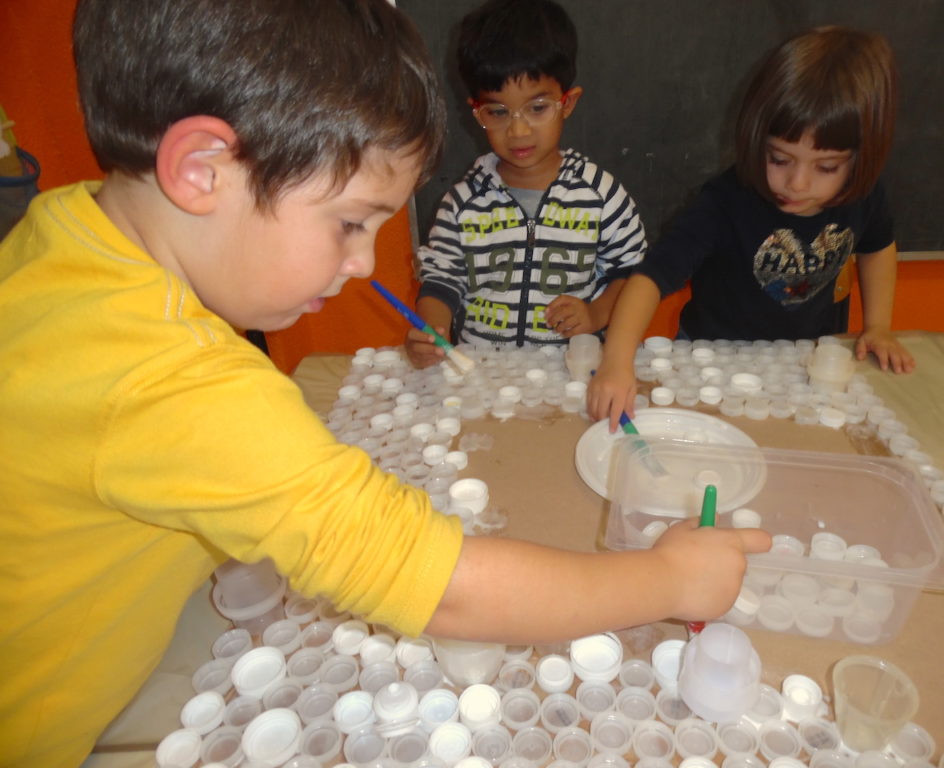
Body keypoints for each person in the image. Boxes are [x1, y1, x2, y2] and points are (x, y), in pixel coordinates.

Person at [0, 0, 768, 765]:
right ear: (201, 169)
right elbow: (447, 588)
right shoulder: (167, 382)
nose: (366, 264)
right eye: (349, 223)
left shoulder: (61, 232)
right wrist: (666, 578)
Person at [589, 26, 916, 428]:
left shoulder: (863, 194)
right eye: (779, 159)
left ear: (861, 159)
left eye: (826, 167)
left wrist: (878, 325)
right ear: (757, 138)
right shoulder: (726, 200)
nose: (797, 183)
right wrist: (617, 362)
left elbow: (878, 245)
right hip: (710, 361)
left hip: (803, 361)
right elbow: (650, 278)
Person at [406, 0, 646, 368]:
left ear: (568, 102)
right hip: (483, 378)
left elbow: (632, 273)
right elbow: (441, 281)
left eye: (537, 108)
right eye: (498, 112)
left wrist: (596, 313)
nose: (517, 130)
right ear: (476, 111)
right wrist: (431, 325)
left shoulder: (601, 195)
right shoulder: (462, 203)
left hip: (569, 377)